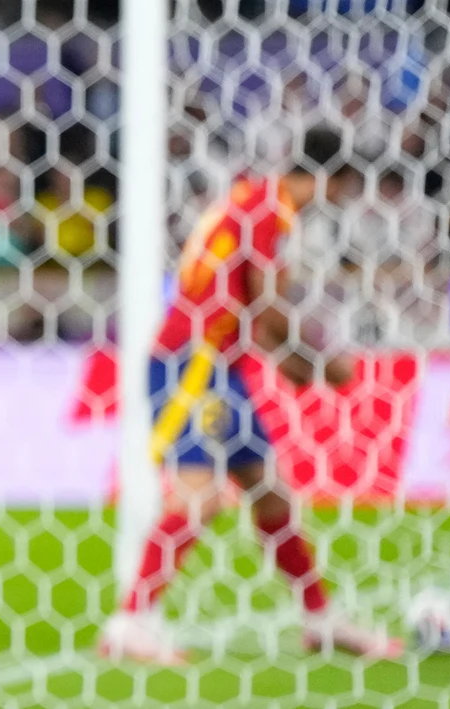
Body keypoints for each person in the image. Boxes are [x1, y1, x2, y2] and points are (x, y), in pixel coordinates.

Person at [99, 127, 402, 664]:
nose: (339, 203)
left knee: (271, 495)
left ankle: (319, 618)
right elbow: (266, 304)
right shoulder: (268, 210)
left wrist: (286, 357)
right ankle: (131, 620)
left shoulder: (255, 201)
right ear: (332, 181)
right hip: (193, 364)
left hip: (221, 367)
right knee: (201, 495)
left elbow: (244, 302)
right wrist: (319, 362)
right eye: (344, 190)